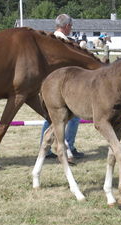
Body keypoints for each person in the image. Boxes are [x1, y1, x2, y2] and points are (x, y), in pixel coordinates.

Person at [40, 14, 84, 159]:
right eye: (70, 26)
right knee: (73, 116)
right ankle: (68, 146)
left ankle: (45, 148)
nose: (71, 28)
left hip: (51, 84)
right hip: (62, 85)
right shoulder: (64, 43)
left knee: (51, 117)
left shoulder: (49, 40)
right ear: (66, 26)